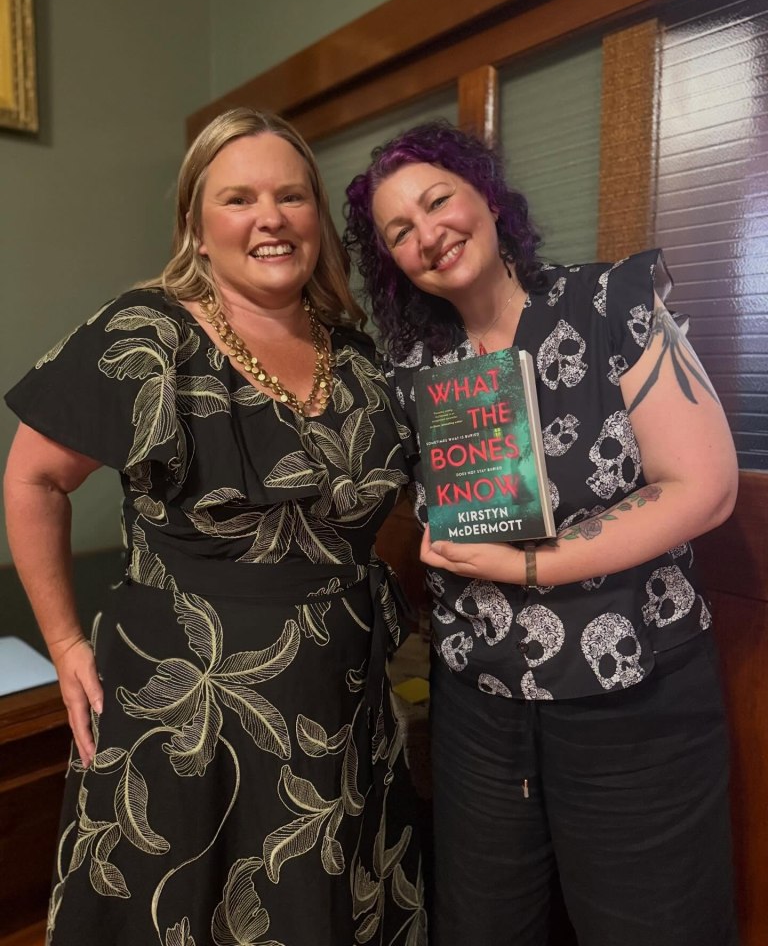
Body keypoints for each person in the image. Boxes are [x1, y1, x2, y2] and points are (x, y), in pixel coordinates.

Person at [4, 107, 427, 946]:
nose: (270, 217)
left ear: (316, 219)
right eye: (238, 198)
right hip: (187, 712)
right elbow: (32, 479)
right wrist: (63, 643)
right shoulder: (146, 334)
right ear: (197, 227)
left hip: (342, 703)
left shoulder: (359, 353)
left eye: (291, 196)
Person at [343, 120, 739, 946]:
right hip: (479, 711)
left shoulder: (611, 304)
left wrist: (531, 567)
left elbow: (704, 488)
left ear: (486, 194)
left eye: (437, 200)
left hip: (633, 699)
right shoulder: (414, 368)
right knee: (484, 928)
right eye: (399, 232)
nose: (428, 234)